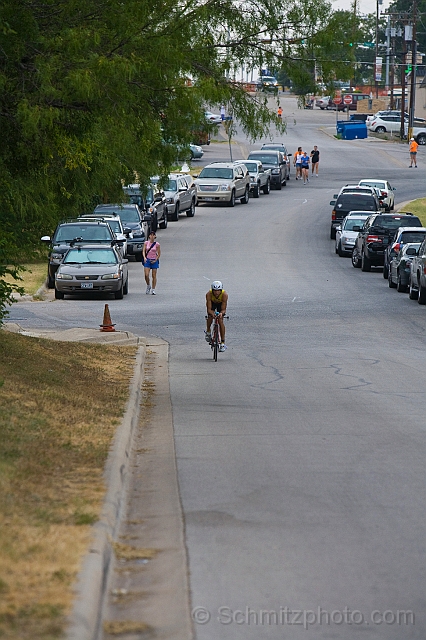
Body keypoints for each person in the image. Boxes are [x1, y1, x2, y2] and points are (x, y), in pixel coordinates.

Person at [205, 281, 228, 352]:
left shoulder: (224, 295)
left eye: (218, 291)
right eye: (215, 291)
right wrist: (212, 313)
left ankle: (222, 343)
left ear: (221, 290)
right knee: (210, 316)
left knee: (220, 321)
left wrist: (221, 313)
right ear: (212, 290)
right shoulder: (209, 294)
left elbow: (223, 309)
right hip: (212, 303)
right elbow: (209, 309)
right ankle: (208, 331)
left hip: (220, 304)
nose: (216, 293)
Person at [142, 230, 161, 295]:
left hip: (154, 260)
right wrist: (144, 257)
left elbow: (159, 253)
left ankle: (153, 289)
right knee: (146, 275)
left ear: (155, 236)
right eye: (151, 235)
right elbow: (144, 251)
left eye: (153, 235)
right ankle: (148, 285)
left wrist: (156, 259)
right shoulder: (146, 243)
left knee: (154, 275)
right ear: (149, 236)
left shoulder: (157, 244)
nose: (152, 236)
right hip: (147, 260)